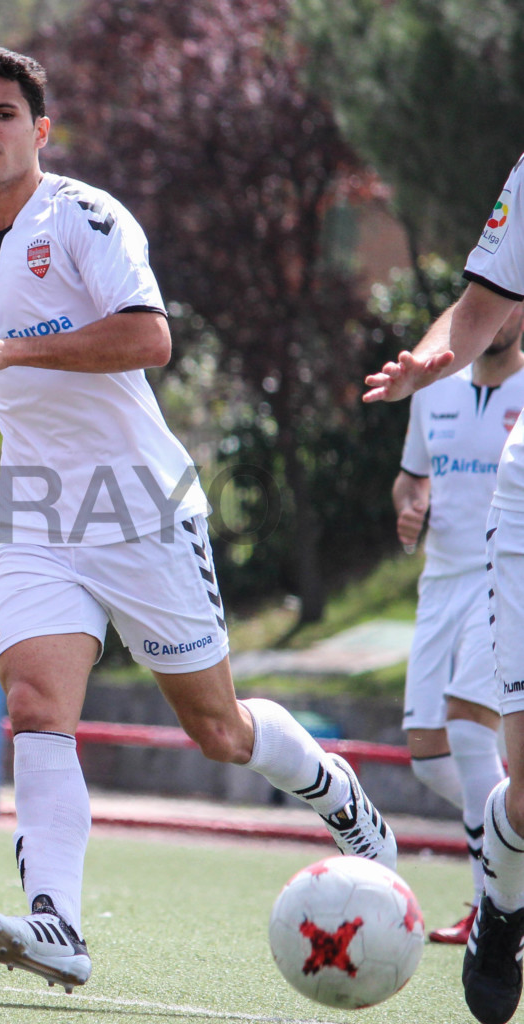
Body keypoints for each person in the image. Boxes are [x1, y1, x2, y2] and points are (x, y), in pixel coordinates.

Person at [0, 46, 396, 994]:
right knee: (37, 706)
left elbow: (146, 336)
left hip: (140, 505)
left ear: (39, 131)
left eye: (5, 113)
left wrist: (6, 349)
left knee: (218, 730)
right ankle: (57, 925)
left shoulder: (86, 216)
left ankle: (332, 789)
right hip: (40, 514)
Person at [364, 151, 524, 1024]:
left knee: (467, 733)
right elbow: (472, 309)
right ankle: (501, 903)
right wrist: (424, 365)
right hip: (481, 557)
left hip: (484, 581)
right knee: (458, 758)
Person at [393, 307, 523, 944]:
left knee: (471, 732)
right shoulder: (432, 387)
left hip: (503, 577)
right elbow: (410, 479)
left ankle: (492, 911)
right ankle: (514, 831)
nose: (498, 317)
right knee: (428, 755)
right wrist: (410, 507)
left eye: (511, 304)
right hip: (439, 583)